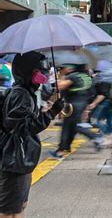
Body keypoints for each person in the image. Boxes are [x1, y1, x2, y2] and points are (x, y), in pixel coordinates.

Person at [0, 52, 64, 218]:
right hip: (14, 160)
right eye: (39, 71)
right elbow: (22, 128)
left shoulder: (24, 92)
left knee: (19, 206)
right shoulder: (21, 94)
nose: (43, 75)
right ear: (27, 71)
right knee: (9, 210)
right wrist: (51, 113)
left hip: (19, 159)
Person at [49, 63, 101, 159]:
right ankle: (64, 148)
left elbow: (60, 86)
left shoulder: (73, 76)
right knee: (71, 127)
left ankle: (95, 137)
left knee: (71, 126)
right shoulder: (88, 77)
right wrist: (86, 109)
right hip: (82, 103)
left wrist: (62, 74)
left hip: (73, 105)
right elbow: (91, 93)